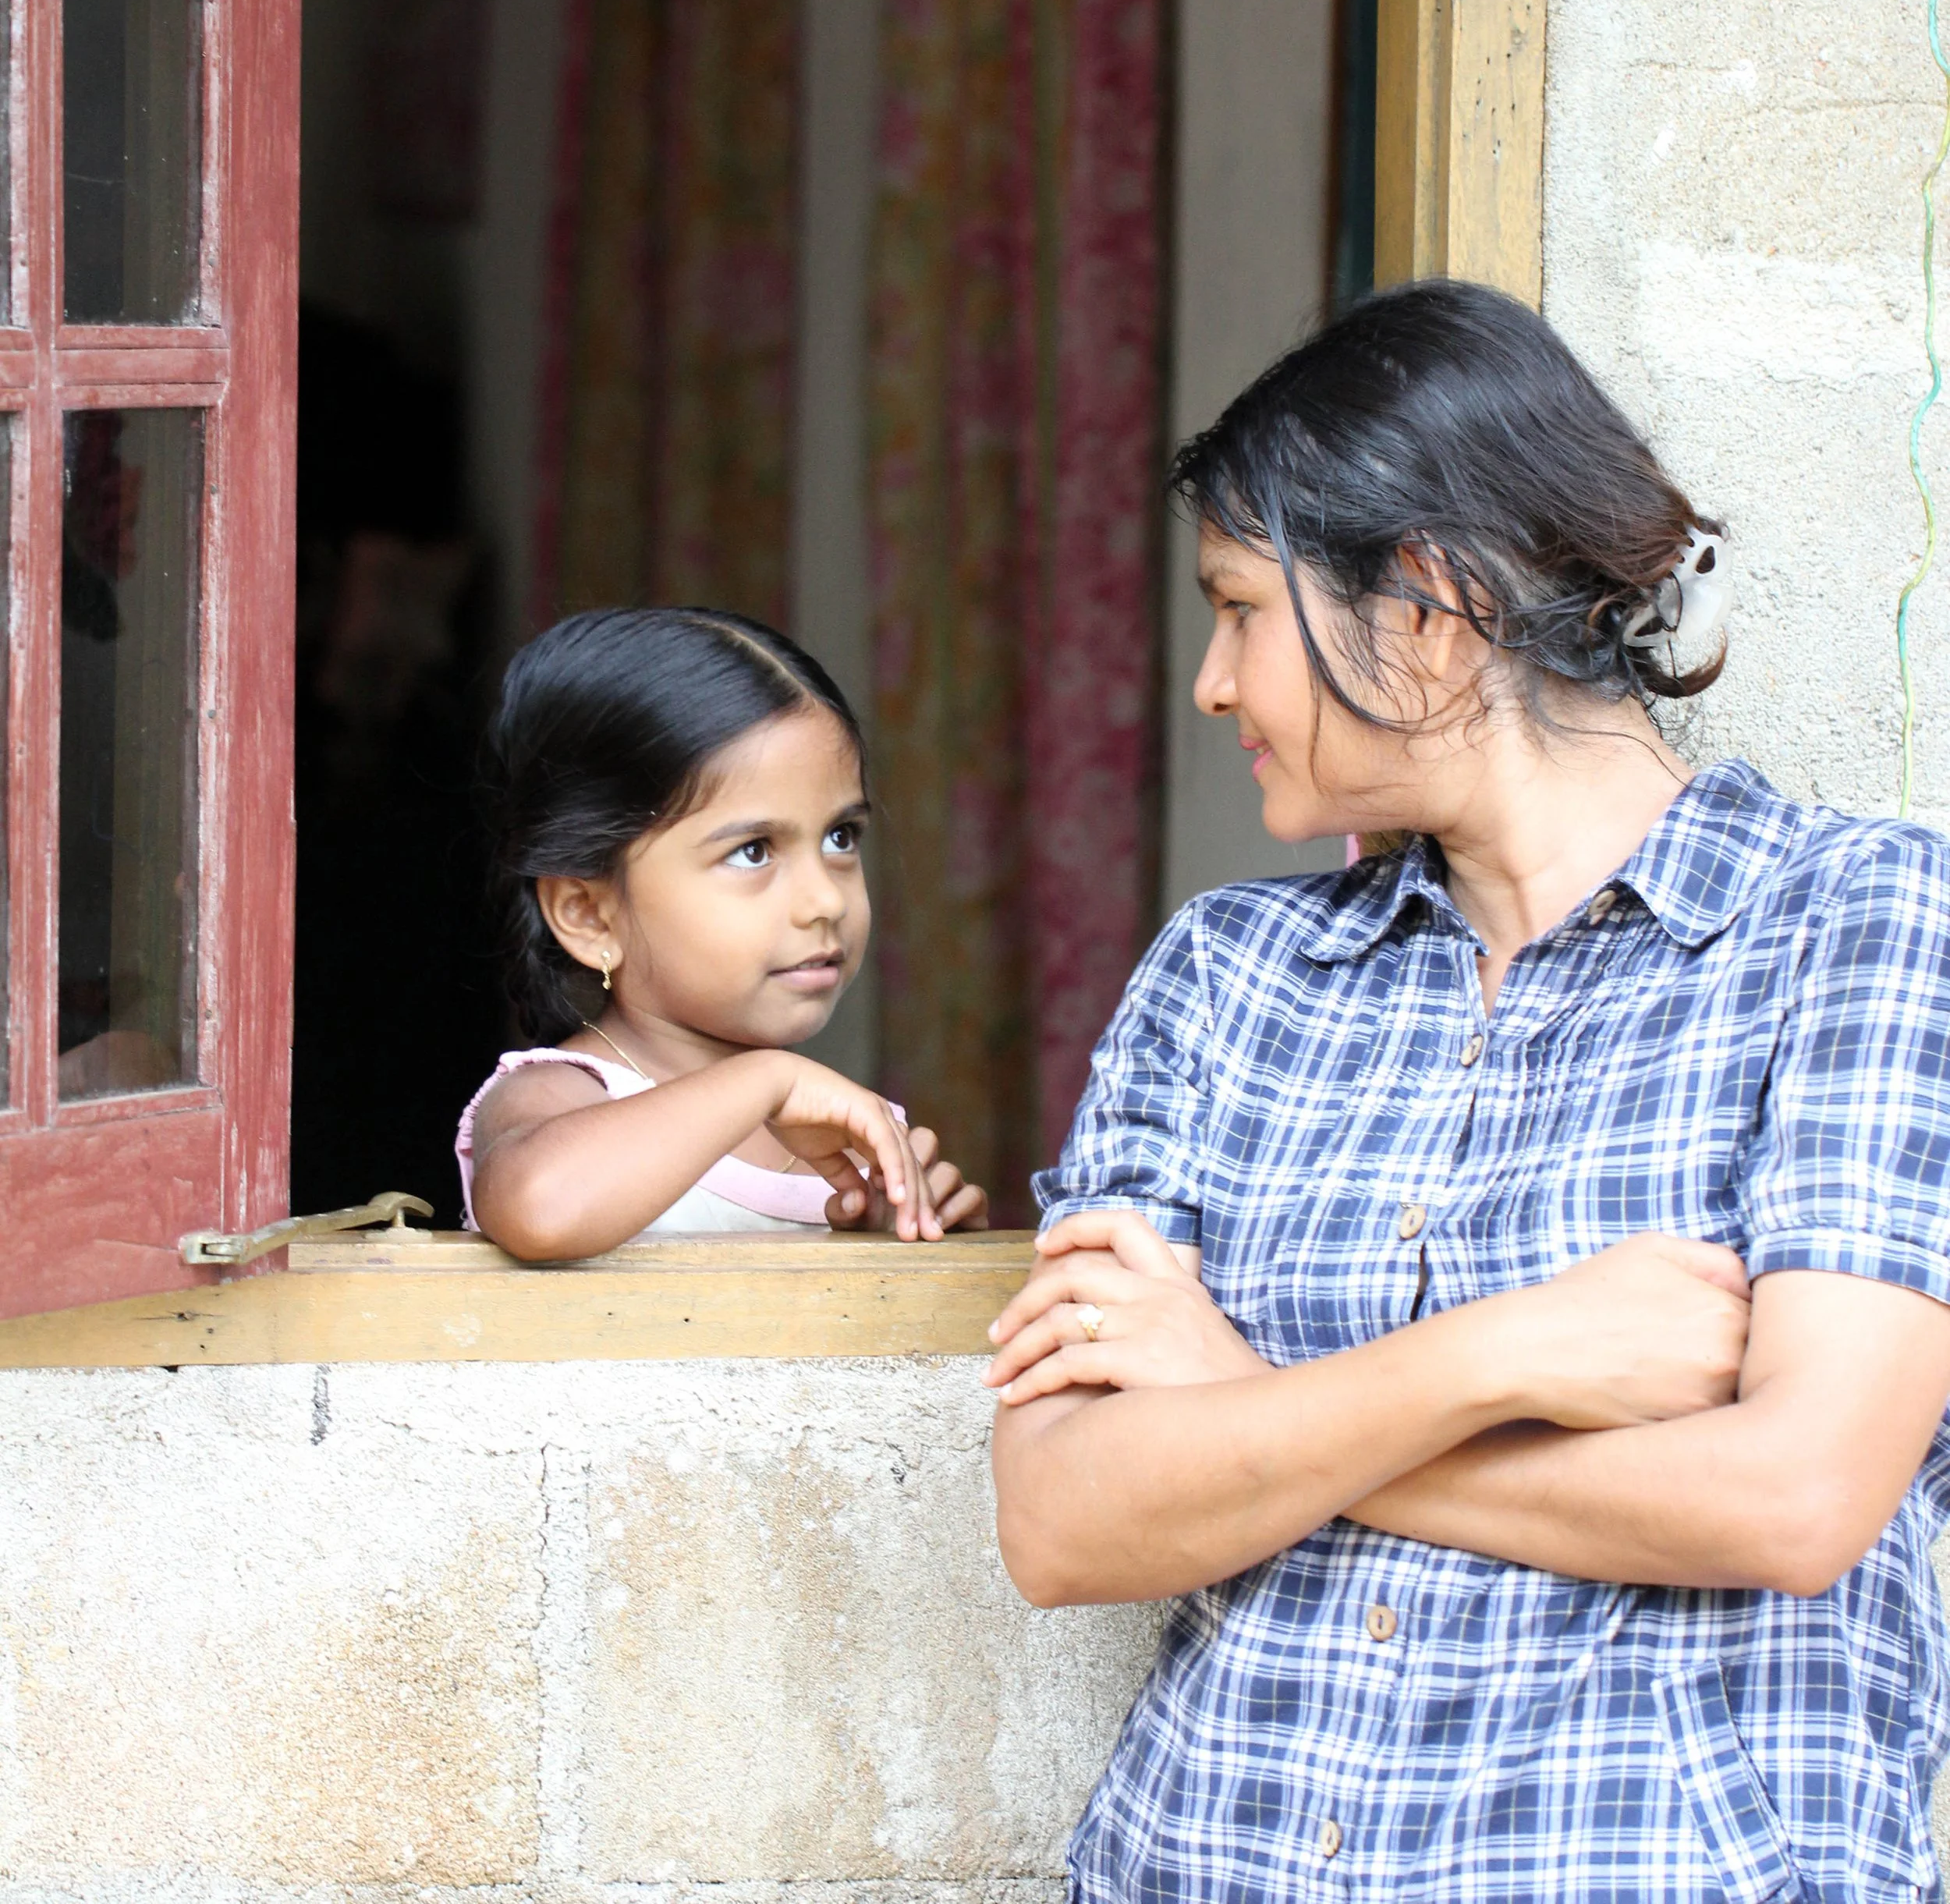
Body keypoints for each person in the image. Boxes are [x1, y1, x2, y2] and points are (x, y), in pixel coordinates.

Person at [986, 279, 1950, 1902]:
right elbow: (1064, 1521)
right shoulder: (1220, 983)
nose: (1211, 684)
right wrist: (1502, 1353)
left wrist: (1242, 1408)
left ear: (1426, 611)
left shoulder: (1857, 927)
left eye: (1237, 610)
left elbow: (1793, 1498)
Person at [459, 607, 989, 1255]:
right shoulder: (560, 1093)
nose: (825, 899)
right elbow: (539, 1207)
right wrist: (768, 1081)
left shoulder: (851, 1139)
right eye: (754, 851)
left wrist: (904, 1237)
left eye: (840, 837)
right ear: (588, 913)